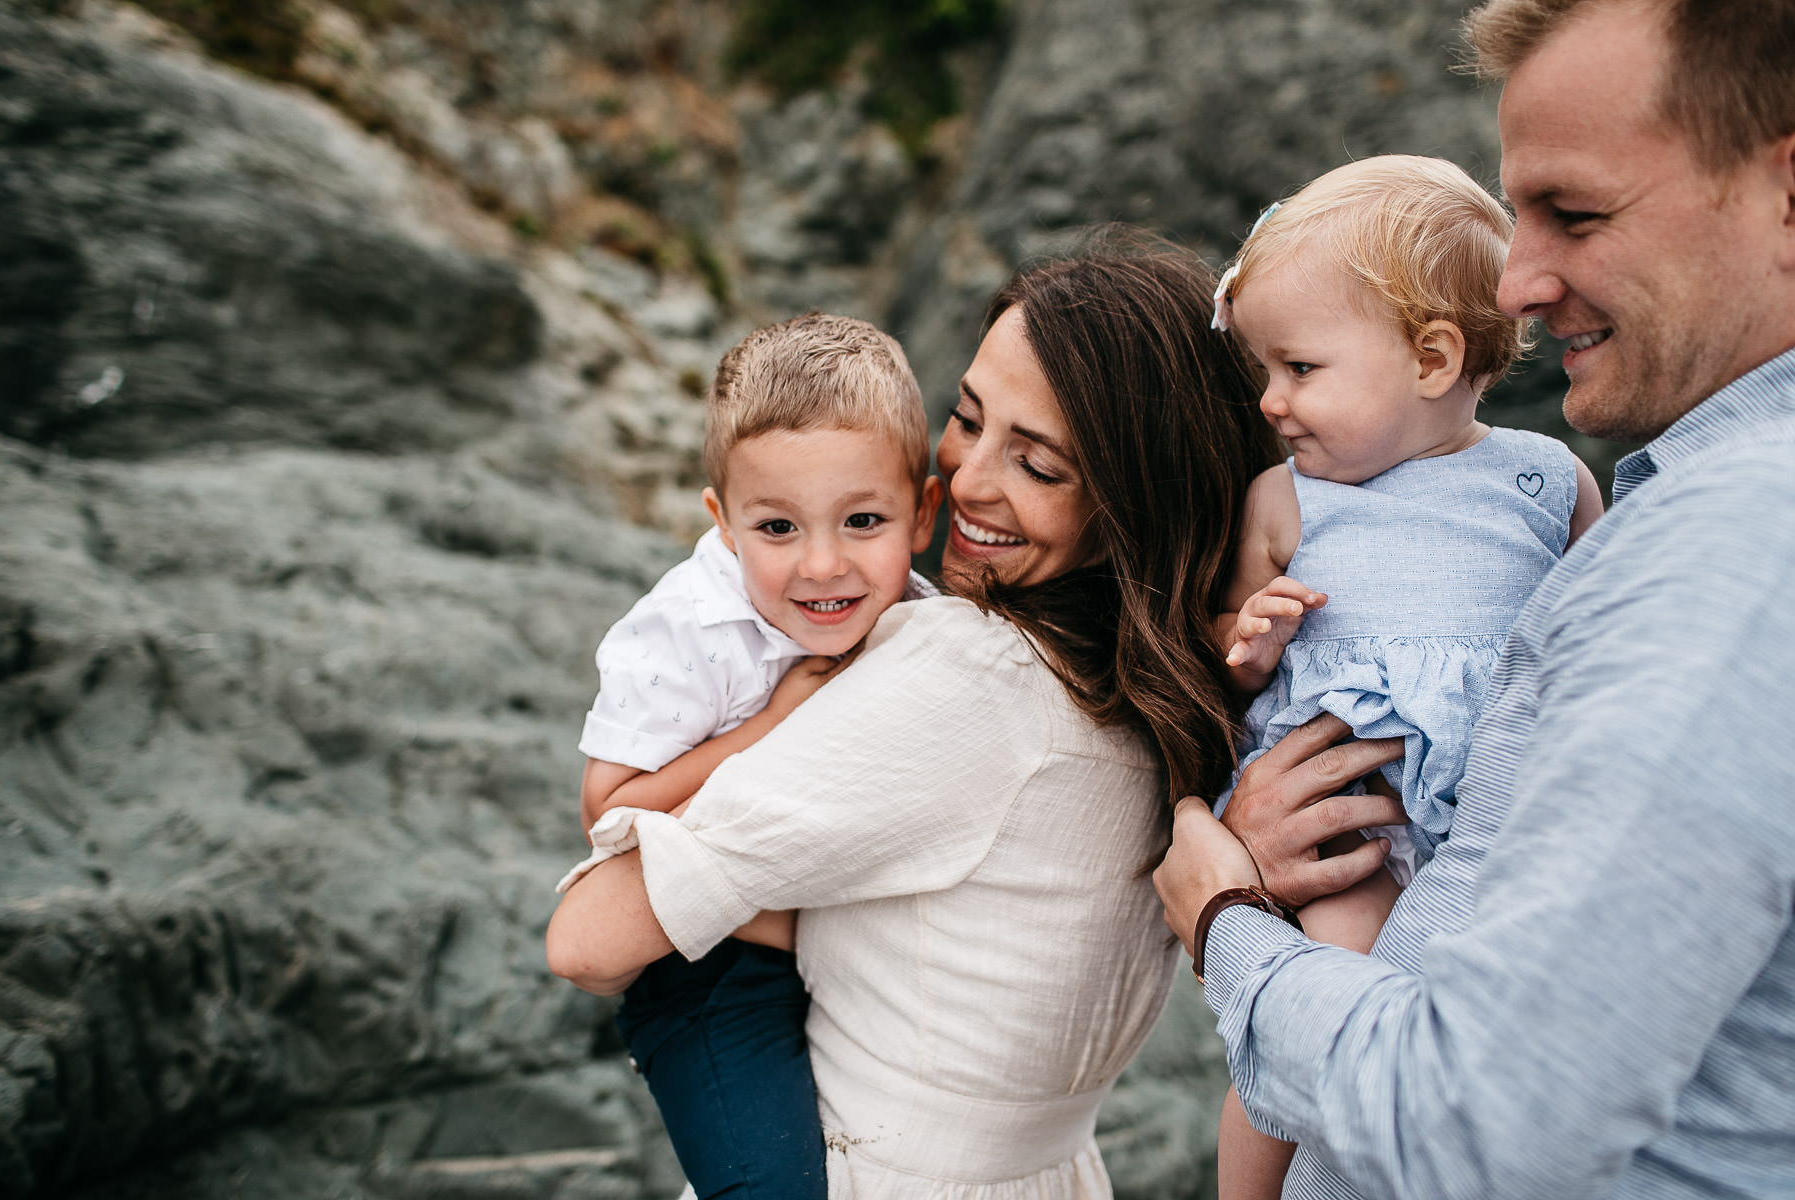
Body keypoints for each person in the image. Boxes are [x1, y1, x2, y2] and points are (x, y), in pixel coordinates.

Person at [1152, 1, 1795, 1197]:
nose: (1519, 283)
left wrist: (1222, 918)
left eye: (1576, 213)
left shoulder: (1736, 549)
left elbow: (1486, 1118)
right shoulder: (1681, 517)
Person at [549, 230, 1284, 1198]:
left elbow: (589, 939)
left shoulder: (973, 672)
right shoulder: (1183, 686)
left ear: (1135, 501)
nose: (968, 482)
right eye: (968, 418)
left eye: (1039, 465)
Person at [1206, 154, 1602, 1199]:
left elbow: (1593, 636)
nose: (1271, 401)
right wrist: (1251, 640)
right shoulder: (1286, 499)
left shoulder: (1546, 480)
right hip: (1354, 822)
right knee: (1313, 1007)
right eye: (1264, 370)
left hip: (1501, 822)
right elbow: (1225, 650)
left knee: (1479, 1033)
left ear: (1432, 358)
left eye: (1299, 367)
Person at [555, 312, 943, 1199]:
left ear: (923, 513)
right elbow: (606, 810)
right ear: (723, 523)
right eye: (777, 528)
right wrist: (770, 723)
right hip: (714, 973)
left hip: (852, 956)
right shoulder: (687, 629)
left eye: (863, 520)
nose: (823, 565)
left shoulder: (921, 619)